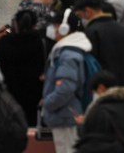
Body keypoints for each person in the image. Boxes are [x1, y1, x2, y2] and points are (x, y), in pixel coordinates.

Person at [41, 12, 94, 153]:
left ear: (64, 28)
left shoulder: (68, 56)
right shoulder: (69, 51)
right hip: (67, 114)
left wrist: (48, 102)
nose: (51, 29)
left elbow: (65, 88)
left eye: (55, 25)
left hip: (66, 116)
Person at [73, 0, 124, 90]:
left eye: (79, 15)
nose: (81, 20)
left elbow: (89, 66)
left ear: (88, 11)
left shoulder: (91, 33)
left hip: (101, 89)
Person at [0, 10, 47, 126]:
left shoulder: (5, 42)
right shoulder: (39, 41)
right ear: (35, 24)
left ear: (15, 23)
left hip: (9, 93)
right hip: (33, 93)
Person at [74, 71, 124, 153]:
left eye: (95, 92)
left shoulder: (100, 109)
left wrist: (82, 124)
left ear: (101, 88)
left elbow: (89, 138)